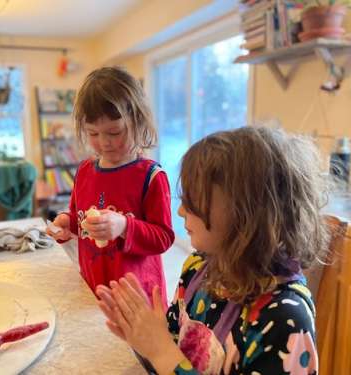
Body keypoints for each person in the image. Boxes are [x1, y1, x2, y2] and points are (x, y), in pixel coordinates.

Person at [96, 127, 328, 375]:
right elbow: (174, 345)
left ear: (245, 214)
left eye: (194, 201)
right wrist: (144, 338)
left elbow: (167, 353)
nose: (181, 211)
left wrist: (159, 350)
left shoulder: (284, 320)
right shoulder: (197, 268)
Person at [47, 66, 175, 303]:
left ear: (138, 122)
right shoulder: (85, 171)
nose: (104, 142)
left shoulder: (151, 176)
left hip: (137, 300)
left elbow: (164, 237)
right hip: (93, 291)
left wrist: (125, 225)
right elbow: (81, 222)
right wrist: (67, 224)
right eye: (93, 134)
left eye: (114, 132)